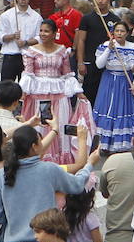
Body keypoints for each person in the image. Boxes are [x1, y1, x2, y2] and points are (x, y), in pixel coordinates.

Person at [0, 125, 91, 242]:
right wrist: (89, 166)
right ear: (34, 146)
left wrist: (13, 219)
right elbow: (77, 185)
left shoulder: (3, 174)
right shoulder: (48, 169)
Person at [19, 19, 95, 168]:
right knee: (41, 126)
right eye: (41, 31)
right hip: (38, 94)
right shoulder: (31, 51)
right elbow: (28, 74)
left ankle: (60, 163)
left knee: (59, 125)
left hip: (58, 94)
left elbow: (66, 74)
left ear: (55, 33)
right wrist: (22, 93)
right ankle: (39, 157)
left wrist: (79, 93)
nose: (43, 34)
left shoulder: (62, 50)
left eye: (46, 31)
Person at [92, 21, 134, 152]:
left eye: (122, 31)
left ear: (127, 33)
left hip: (125, 81)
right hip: (109, 80)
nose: (119, 33)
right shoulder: (107, 45)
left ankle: (122, 144)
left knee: (124, 110)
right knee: (107, 109)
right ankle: (103, 144)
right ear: (113, 33)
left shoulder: (132, 46)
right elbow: (99, 65)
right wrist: (108, 50)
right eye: (117, 31)